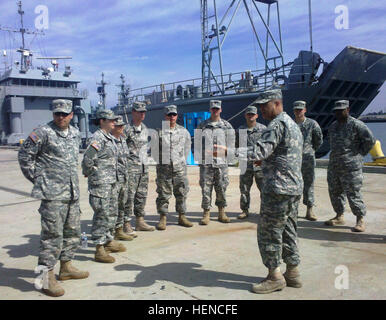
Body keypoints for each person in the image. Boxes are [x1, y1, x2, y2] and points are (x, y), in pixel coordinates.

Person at [18, 99, 89, 297]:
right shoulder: (42, 132)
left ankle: (65, 267)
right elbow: (25, 157)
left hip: (72, 193)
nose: (61, 117)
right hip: (52, 195)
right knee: (51, 236)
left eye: (64, 114)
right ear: (53, 114)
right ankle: (44, 277)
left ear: (71, 114)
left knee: (72, 232)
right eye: (57, 113)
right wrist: (39, 180)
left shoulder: (75, 133)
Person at [244, 89, 304, 294]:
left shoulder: (276, 125)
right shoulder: (292, 124)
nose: (261, 109)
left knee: (269, 233)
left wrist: (228, 151)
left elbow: (258, 151)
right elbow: (285, 153)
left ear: (277, 103)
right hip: (293, 188)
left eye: (264, 105)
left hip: (277, 189)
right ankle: (293, 273)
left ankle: (274, 277)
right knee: (289, 230)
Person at [82, 109, 126, 264]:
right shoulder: (97, 138)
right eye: (110, 120)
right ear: (102, 121)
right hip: (101, 184)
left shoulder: (109, 138)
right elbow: (87, 160)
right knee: (101, 215)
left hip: (112, 183)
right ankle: (99, 249)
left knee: (111, 213)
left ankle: (108, 240)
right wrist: (94, 174)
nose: (114, 122)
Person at [325, 100, 375, 232]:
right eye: (336, 111)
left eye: (341, 110)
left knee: (353, 193)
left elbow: (370, 141)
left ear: (347, 110)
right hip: (334, 166)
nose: (338, 113)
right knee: (335, 192)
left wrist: (358, 155)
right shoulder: (333, 126)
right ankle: (339, 216)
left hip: (351, 167)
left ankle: (360, 219)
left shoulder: (357, 125)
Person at [195, 100, 235, 225]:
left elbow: (232, 146)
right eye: (213, 109)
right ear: (210, 110)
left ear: (221, 110)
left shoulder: (227, 126)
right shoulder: (202, 126)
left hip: (221, 164)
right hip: (206, 164)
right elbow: (196, 145)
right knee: (206, 189)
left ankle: (221, 212)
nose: (215, 111)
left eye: (217, 109)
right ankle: (206, 213)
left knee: (221, 188)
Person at [154, 105, 193, 230]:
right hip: (164, 171)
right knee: (163, 195)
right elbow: (154, 151)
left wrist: (180, 161)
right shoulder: (158, 132)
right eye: (169, 114)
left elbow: (187, 148)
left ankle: (182, 216)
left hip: (179, 170)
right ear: (165, 116)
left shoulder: (184, 132)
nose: (171, 117)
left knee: (181, 193)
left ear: (176, 116)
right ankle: (163, 218)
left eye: (174, 114)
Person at [124, 102, 155, 232]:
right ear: (133, 112)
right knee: (128, 197)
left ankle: (139, 221)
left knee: (141, 195)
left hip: (143, 168)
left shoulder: (144, 128)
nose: (142, 114)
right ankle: (125, 223)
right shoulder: (126, 129)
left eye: (144, 112)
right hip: (131, 170)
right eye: (139, 111)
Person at [293, 101, 323, 221]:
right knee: (294, 185)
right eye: (296, 110)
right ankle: (293, 210)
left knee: (309, 185)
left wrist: (310, 150)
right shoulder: (290, 124)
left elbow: (319, 140)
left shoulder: (312, 124)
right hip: (293, 160)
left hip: (308, 160)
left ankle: (309, 210)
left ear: (305, 110)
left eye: (300, 109)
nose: (298, 112)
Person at [236, 105, 266, 219]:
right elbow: (236, 146)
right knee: (244, 189)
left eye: (253, 114)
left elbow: (267, 147)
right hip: (245, 164)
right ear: (245, 116)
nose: (251, 117)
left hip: (260, 165)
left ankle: (264, 211)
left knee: (264, 189)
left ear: (257, 115)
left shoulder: (263, 129)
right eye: (249, 114)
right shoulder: (240, 130)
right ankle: (244, 210)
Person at [112, 116, 136, 240]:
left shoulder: (122, 140)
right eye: (118, 126)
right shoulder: (108, 141)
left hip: (124, 179)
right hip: (112, 180)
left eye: (122, 126)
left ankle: (119, 229)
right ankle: (111, 233)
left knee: (123, 204)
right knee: (113, 207)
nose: (121, 128)